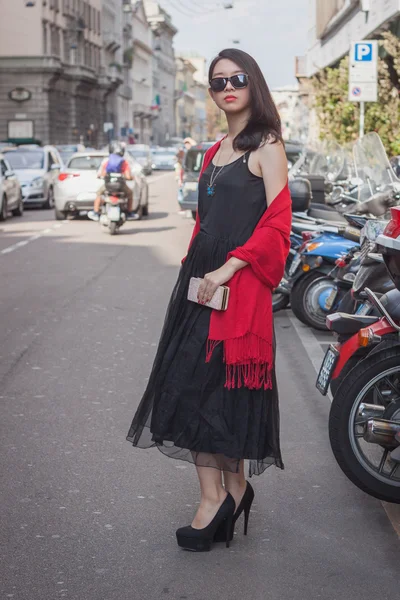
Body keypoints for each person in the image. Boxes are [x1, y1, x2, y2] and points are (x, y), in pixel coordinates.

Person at [126, 48, 292, 551]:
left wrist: (228, 268)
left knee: (209, 389)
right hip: (201, 284)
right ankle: (233, 489)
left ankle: (213, 500)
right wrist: (195, 269)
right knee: (198, 385)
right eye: (217, 81)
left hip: (236, 284)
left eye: (236, 78)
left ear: (253, 82)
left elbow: (278, 228)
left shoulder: (267, 145)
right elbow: (205, 221)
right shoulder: (215, 148)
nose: (227, 87)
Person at [88, 141, 137, 222]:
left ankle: (96, 212)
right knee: (130, 193)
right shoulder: (124, 162)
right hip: (121, 186)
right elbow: (128, 176)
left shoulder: (107, 161)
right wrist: (131, 178)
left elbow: (102, 174)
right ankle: (129, 213)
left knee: (99, 194)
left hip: (108, 186)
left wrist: (101, 176)